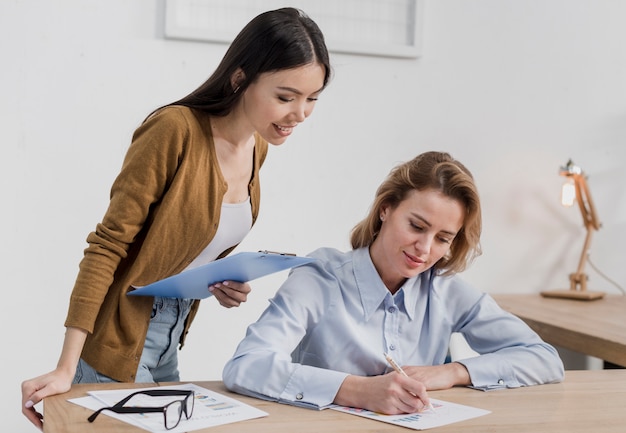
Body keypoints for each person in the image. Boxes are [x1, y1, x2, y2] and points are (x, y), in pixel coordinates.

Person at [22, 7, 331, 430]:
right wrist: (64, 368)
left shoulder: (257, 148)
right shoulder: (175, 130)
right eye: (285, 97)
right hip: (119, 342)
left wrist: (216, 281)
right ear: (241, 78)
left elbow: (184, 243)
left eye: (312, 98)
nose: (299, 114)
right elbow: (108, 245)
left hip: (170, 337)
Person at [223, 151, 564, 414]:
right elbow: (246, 366)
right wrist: (355, 390)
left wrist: (452, 372)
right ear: (386, 209)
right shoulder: (321, 277)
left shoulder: (443, 289)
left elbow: (542, 358)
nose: (425, 249)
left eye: (443, 238)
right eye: (416, 226)